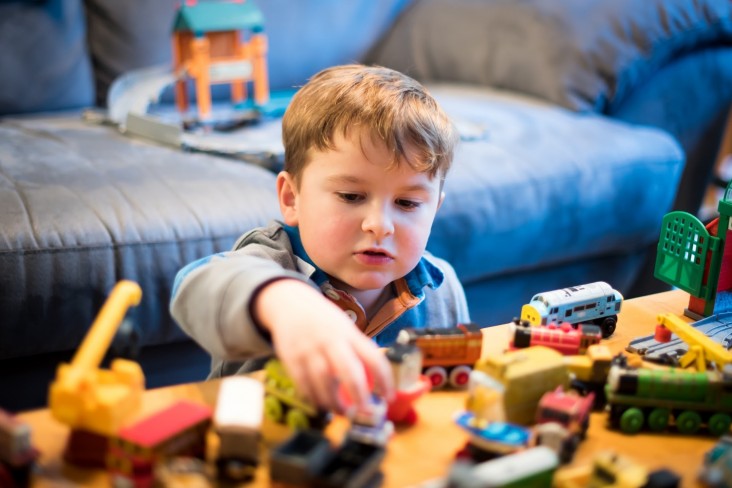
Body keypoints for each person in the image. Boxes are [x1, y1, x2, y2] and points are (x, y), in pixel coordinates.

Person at [170, 64, 470, 413]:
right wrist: (283, 302)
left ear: (433, 209)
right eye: (351, 196)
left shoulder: (441, 288)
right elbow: (194, 287)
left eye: (407, 203)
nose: (379, 225)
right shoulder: (269, 261)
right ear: (292, 199)